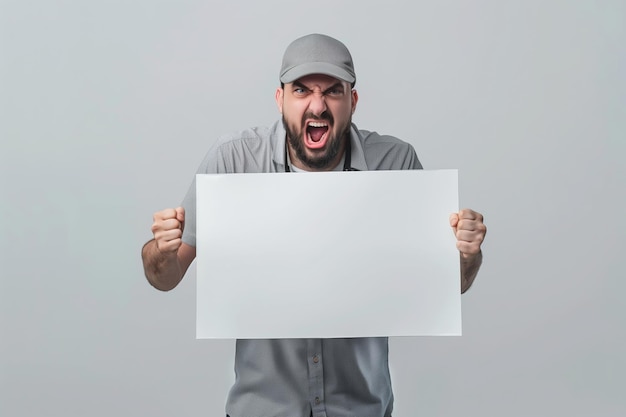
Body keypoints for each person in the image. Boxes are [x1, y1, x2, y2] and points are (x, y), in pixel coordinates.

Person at [142, 33, 487, 417]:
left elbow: (448, 285)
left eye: (333, 91)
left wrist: (467, 255)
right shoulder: (233, 161)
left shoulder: (395, 163)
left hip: (363, 409)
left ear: (352, 101)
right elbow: (165, 277)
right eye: (302, 90)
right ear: (280, 99)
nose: (317, 105)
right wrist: (163, 249)